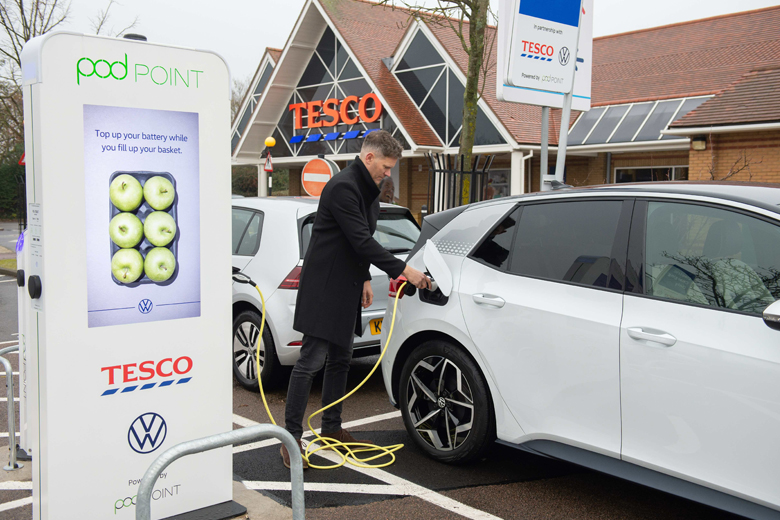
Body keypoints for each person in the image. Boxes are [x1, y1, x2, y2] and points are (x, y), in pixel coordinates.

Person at [281, 130, 431, 469]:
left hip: (347, 285)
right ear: (369, 158)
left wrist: (364, 277)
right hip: (324, 289)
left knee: (341, 360)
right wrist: (406, 272)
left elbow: (357, 241)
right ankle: (290, 441)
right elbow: (363, 241)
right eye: (387, 166)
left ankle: (332, 429)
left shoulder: (368, 192)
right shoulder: (343, 188)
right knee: (309, 363)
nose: (388, 173)